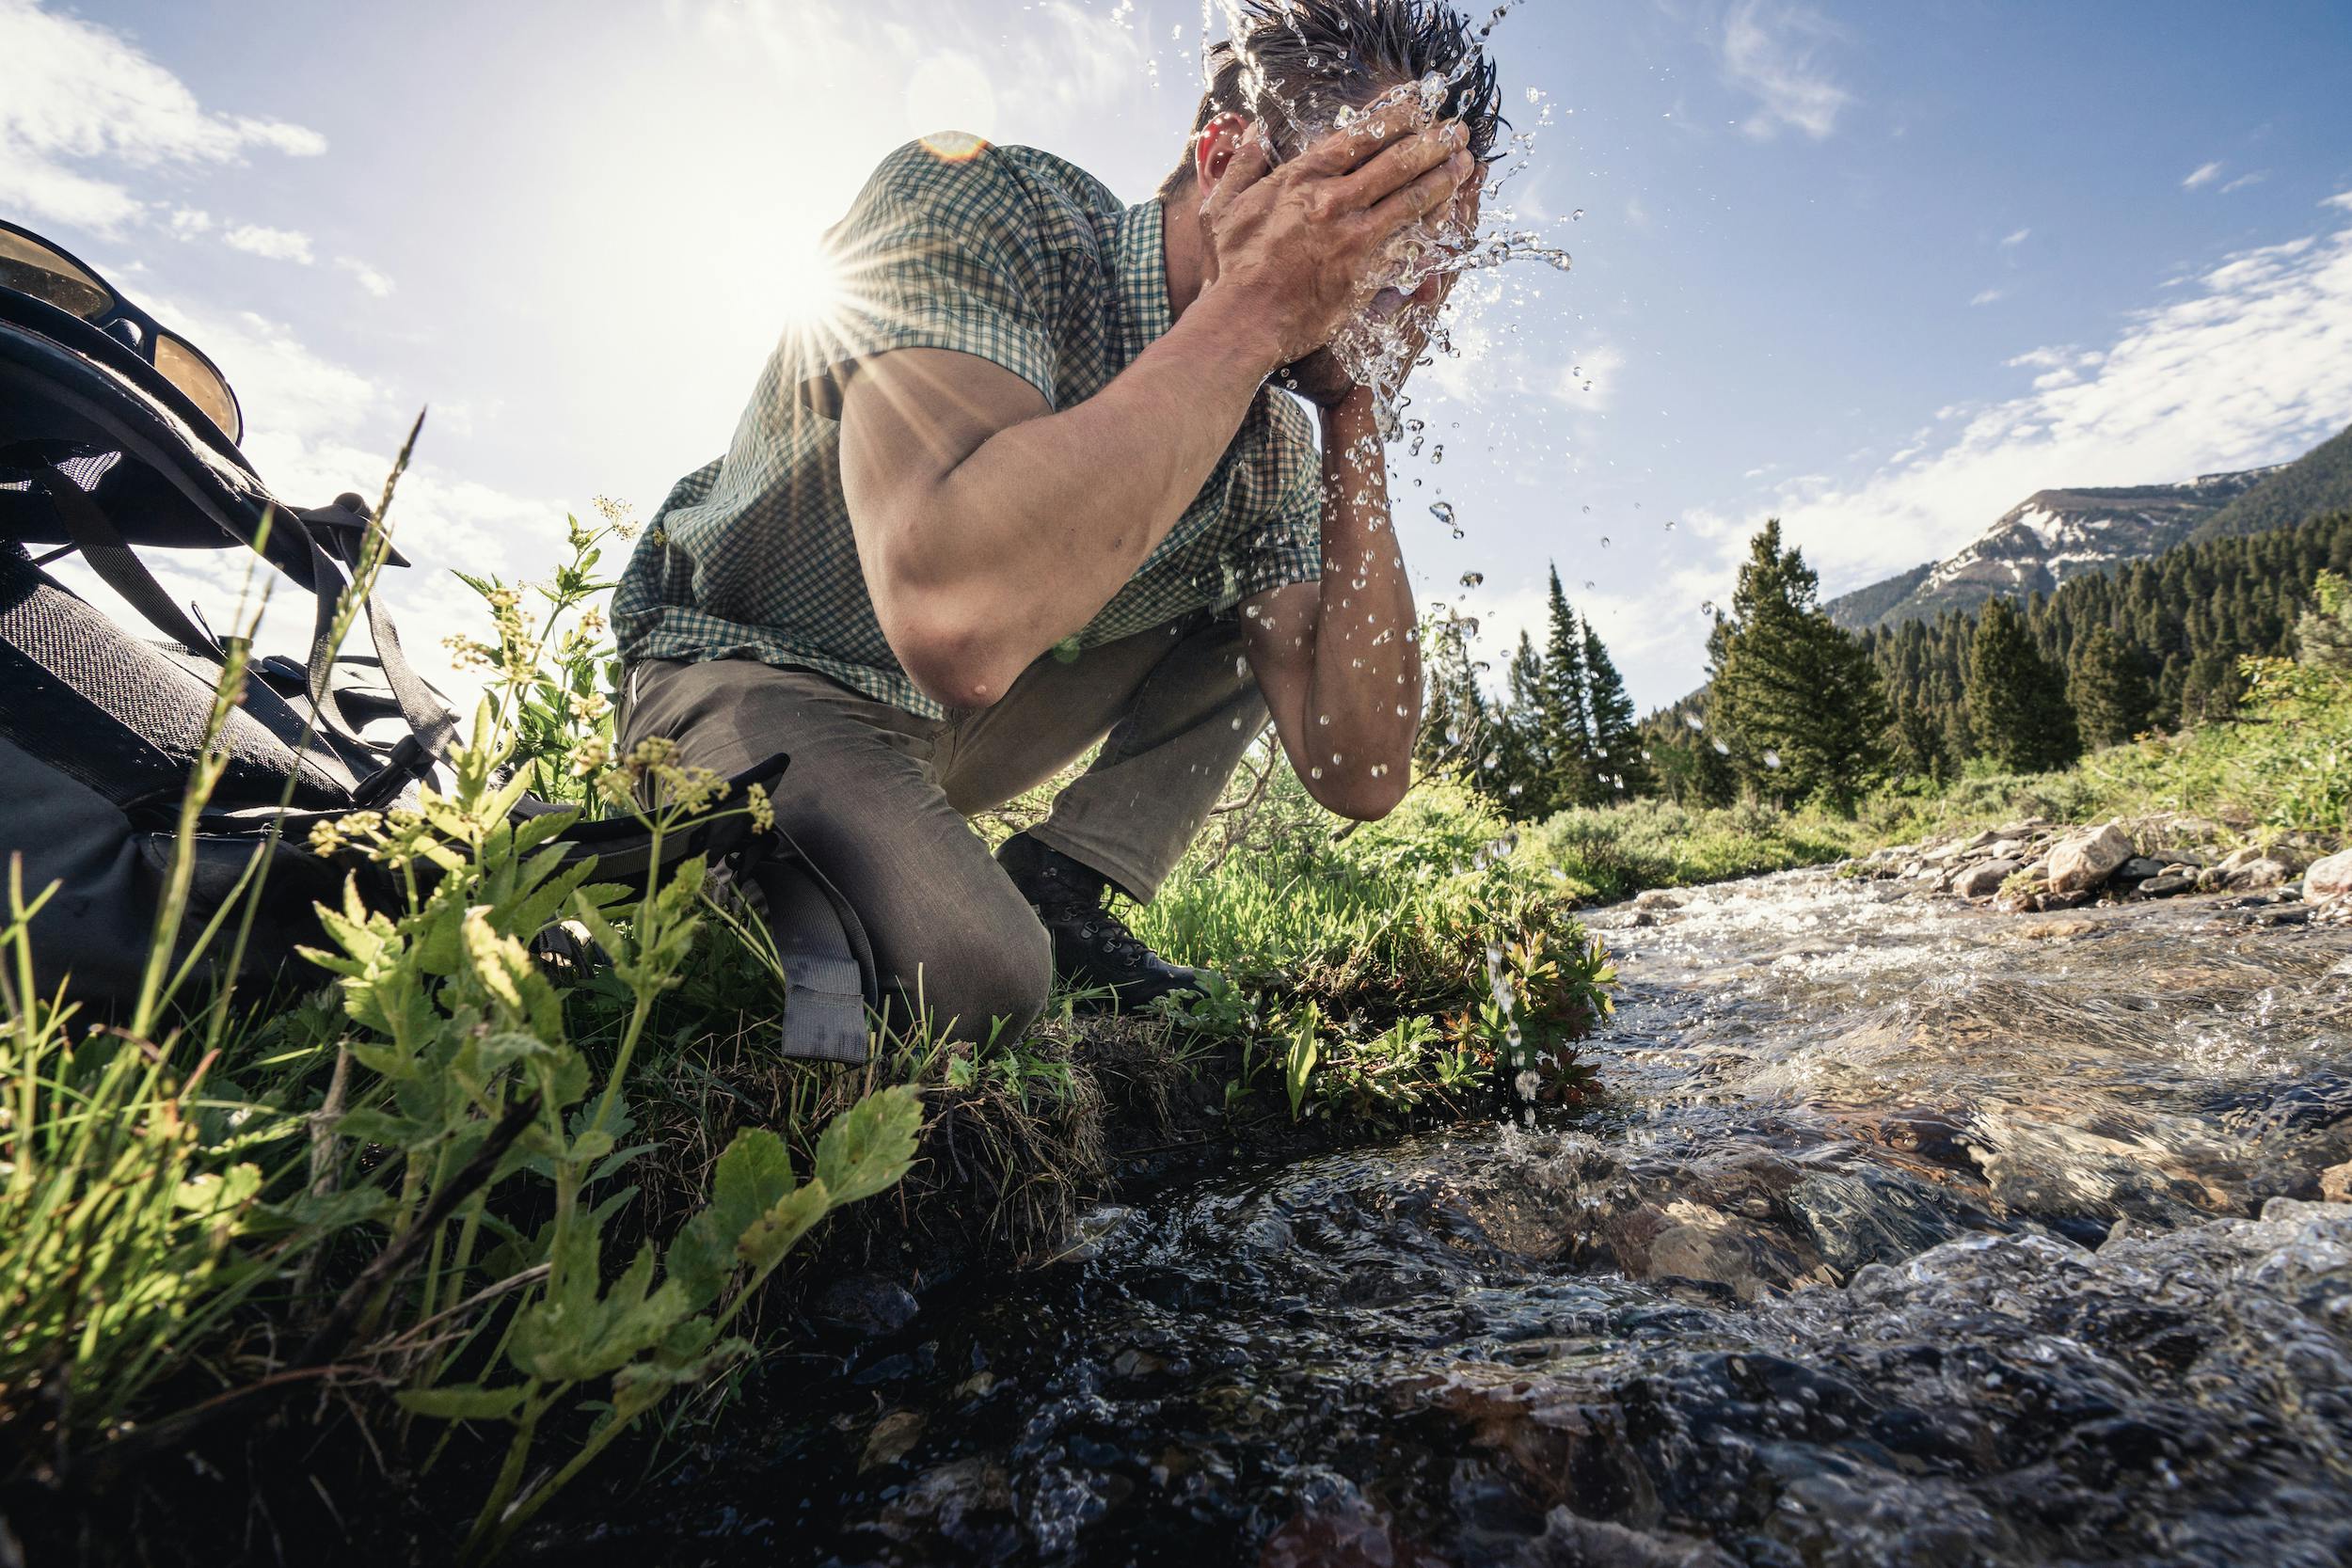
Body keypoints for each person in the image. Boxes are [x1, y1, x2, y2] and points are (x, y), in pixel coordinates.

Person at [612, 0, 1500, 1046]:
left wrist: (1356, 409)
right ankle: (687, 873)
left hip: (944, 738)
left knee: (1247, 609)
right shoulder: (972, 197)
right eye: (1372, 222)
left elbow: (1361, 770)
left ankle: (1061, 885)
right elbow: (955, 617)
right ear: (1224, 162)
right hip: (750, 676)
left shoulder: (1270, 448)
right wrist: (1256, 309)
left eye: (1427, 252)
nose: (1398, 286)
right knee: (982, 972)